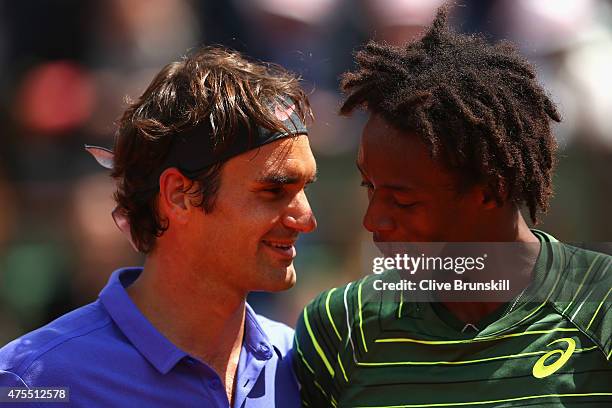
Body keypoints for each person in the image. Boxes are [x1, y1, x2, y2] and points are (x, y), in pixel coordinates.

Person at [293, 5, 611, 407]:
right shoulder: (339, 327)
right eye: (369, 187)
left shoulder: (603, 304)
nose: (373, 221)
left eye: (404, 200)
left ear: (490, 190)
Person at [0, 46, 317, 407]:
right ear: (180, 195)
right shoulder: (31, 382)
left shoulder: (306, 368)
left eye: (305, 189)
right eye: (273, 191)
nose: (306, 220)